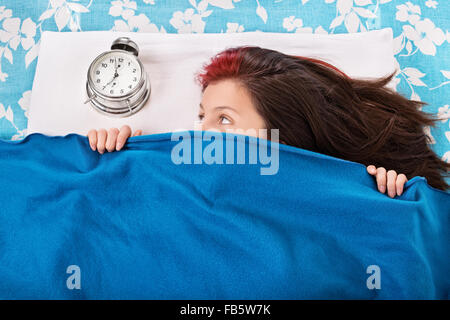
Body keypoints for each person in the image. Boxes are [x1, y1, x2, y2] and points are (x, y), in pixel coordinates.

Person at [87, 46, 450, 197]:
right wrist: (115, 160)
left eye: (224, 119)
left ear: (281, 136)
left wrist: (388, 197)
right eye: (202, 119)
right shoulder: (180, 173)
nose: (202, 135)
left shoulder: (335, 193)